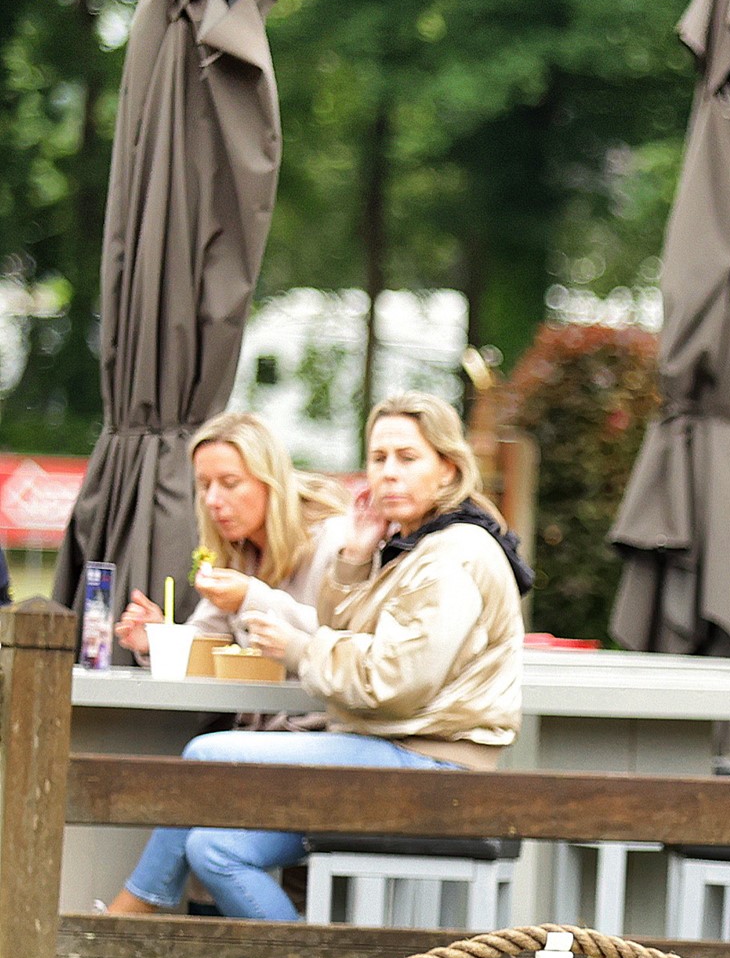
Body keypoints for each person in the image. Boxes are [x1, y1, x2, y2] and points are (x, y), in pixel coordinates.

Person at [107, 393, 531, 923]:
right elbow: (353, 630)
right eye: (378, 459)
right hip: (388, 750)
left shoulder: (455, 553)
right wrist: (355, 558)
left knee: (207, 755)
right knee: (214, 848)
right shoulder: (413, 548)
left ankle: (138, 907)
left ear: (447, 469)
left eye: (407, 458)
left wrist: (297, 649)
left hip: (430, 763)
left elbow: (393, 680)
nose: (388, 474)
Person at [115, 411, 350, 673]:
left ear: (272, 482)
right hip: (259, 713)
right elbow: (207, 638)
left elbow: (348, 643)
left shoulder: (336, 539)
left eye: (230, 483)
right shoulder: (238, 552)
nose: (212, 500)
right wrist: (158, 638)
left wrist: (250, 597)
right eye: (204, 485)